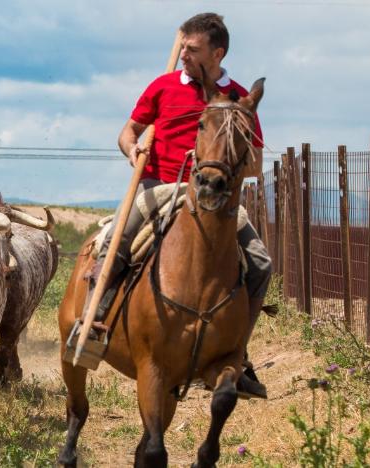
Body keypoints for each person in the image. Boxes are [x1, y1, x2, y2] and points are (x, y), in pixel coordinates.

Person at [75, 12, 271, 398]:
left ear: (217, 53)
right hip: (158, 185)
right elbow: (127, 131)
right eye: (182, 47)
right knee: (115, 241)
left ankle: (238, 352)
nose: (184, 55)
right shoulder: (163, 87)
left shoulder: (239, 99)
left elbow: (256, 164)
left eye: (192, 49)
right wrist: (134, 149)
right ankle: (95, 321)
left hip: (214, 196)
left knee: (261, 262)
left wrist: (222, 168)